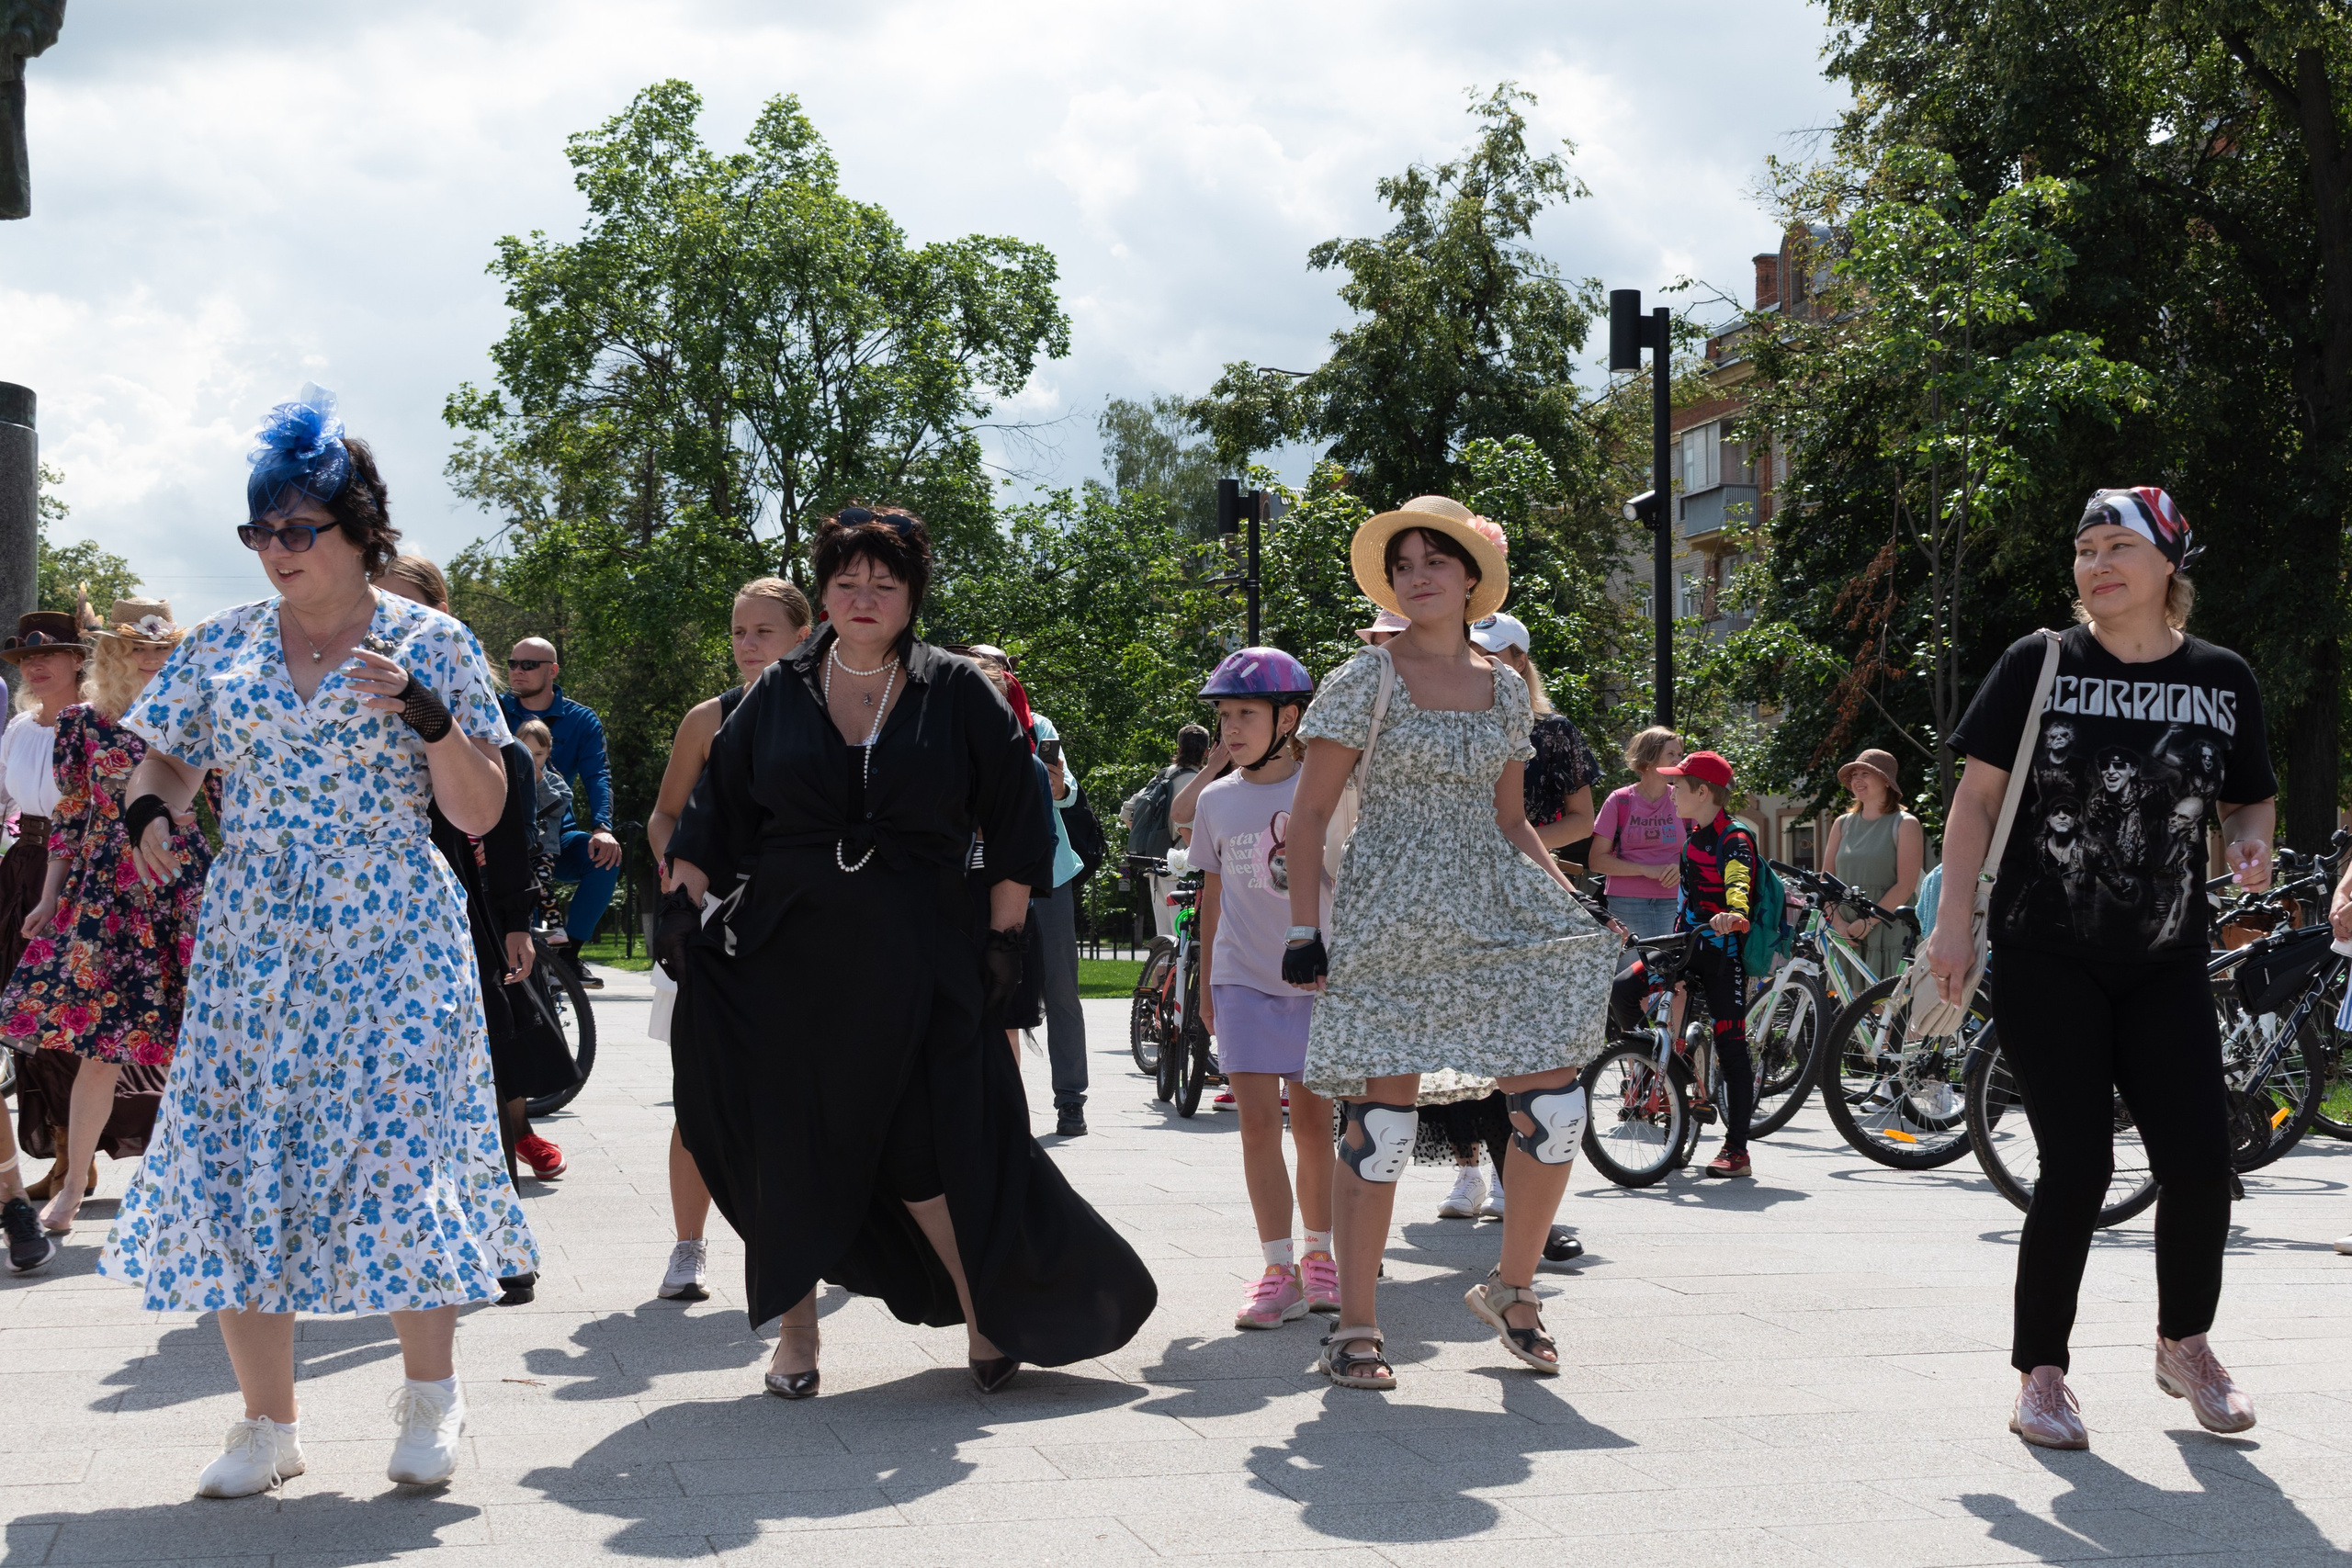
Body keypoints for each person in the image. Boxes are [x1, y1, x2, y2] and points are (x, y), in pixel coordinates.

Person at [105, 384, 535, 1497]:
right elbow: (166, 759)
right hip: (254, 930)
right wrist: (153, 813)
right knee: (241, 1160)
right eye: (260, 531)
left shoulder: (431, 640)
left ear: (361, 531)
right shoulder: (222, 646)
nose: (276, 551)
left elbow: (482, 809)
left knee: (401, 1152)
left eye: (299, 529)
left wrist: (427, 714)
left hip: (392, 925)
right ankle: (266, 1426)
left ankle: (430, 1400)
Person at [657, 505, 1155, 1399]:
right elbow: (714, 810)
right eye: (846, 581)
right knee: (786, 1143)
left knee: (925, 1145)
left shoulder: (956, 689)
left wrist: (1005, 941)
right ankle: (797, 1335)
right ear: (822, 594)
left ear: (913, 595)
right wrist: (680, 904)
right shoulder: (778, 693)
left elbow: (1017, 818)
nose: (863, 597)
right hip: (787, 956)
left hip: (922, 950)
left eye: (883, 583)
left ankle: (985, 1312)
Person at [1925, 486, 2270, 1451]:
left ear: (2170, 562)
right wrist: (1952, 925)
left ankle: (2184, 1342)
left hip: (2167, 958)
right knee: (2077, 1163)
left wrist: (2251, 843)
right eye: (2084, 549)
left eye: (2118, 544)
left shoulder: (2223, 678)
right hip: (2046, 952)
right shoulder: (2040, 662)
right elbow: (1974, 802)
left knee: (2200, 1159)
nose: (2096, 563)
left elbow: (2249, 799)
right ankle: (2041, 1373)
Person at [1280, 494, 1619, 1391]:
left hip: (1491, 907)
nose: (1417, 576)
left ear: (1472, 577)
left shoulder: (1504, 688)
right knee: (1382, 1127)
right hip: (1389, 914)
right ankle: (1357, 1324)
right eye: (1404, 565)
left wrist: (1570, 907)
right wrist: (1306, 929)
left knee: (1555, 1107)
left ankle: (1513, 1289)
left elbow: (1510, 821)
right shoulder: (1365, 677)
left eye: (1435, 560)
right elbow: (1309, 813)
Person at [378, 556, 579, 1222]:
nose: (388, 622)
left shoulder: (485, 724)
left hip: (467, 900)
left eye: (405, 606)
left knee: (488, 1047)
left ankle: (499, 1215)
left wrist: (517, 919)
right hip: (374, 903)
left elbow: (509, 829)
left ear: (440, 615)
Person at [3, 601, 207, 1239]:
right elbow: (71, 816)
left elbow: (233, 800)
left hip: (180, 883)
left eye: (163, 649)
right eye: (139, 648)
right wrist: (48, 897)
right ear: (116, 653)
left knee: (202, 1041)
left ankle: (195, 1185)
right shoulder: (83, 722)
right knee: (100, 1045)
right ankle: (70, 1186)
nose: (152, 659)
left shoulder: (197, 715)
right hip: (106, 893)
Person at [642, 575, 811, 1303]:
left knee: (802, 1094)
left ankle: (806, 1242)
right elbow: (664, 815)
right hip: (710, 924)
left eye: (763, 631)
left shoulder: (836, 713)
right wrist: (681, 883)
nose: (747, 643)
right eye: (739, 630)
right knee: (700, 1096)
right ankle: (689, 1246)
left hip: (802, 929)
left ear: (803, 636)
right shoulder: (707, 719)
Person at [1434, 611, 1604, 1224]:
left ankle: (1516, 1176)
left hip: (1524, 894)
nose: (1482, 661)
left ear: (1520, 660)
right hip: (1452, 891)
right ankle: (1467, 1170)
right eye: (1474, 650)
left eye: (1494, 652)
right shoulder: (1445, 718)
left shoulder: (1552, 730)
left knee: (1513, 1039)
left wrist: (1515, 847)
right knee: (1452, 1037)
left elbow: (1583, 818)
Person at [1190, 648, 1339, 1328]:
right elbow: (1213, 895)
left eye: (1245, 714)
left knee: (1312, 1125)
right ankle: (1278, 1269)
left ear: (1288, 718)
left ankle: (1320, 1257)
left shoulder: (1325, 790)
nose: (1231, 728)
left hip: (1315, 980)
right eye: (1224, 715)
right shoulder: (1216, 800)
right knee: (1255, 1126)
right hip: (1241, 979)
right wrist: (1205, 985)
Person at [0, 608, 88, 1274]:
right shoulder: (17, 728)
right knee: (20, 1020)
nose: (35, 665)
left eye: (50, 654)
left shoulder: (95, 723)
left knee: (64, 1018)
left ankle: (70, 1159)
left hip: (76, 869)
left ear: (78, 660)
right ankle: (57, 1151)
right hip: (21, 867)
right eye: (27, 657)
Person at [500, 635, 620, 976]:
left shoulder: (581, 719)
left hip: (554, 837)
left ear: (552, 670)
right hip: (500, 836)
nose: (517, 671)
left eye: (528, 665)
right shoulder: (493, 709)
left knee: (605, 858)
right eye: (512, 664)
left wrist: (602, 828)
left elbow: (598, 775)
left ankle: (567, 958)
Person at [1022, 703, 1100, 1137]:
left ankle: (1071, 1099)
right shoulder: (953, 712)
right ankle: (991, 1099)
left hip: (1049, 875)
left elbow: (1067, 792)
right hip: (982, 872)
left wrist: (1058, 786)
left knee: (1061, 989)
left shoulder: (1038, 726)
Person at [1822, 747, 1925, 978]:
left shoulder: (1905, 823)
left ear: (1886, 780)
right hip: (1847, 931)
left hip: (1889, 929)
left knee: (1888, 999)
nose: (1857, 779)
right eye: (1854, 775)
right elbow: (1825, 881)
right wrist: (1838, 924)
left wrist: (1868, 923)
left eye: (1865, 773)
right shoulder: (1842, 823)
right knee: (1849, 1000)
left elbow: (1906, 886)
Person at [1589, 728, 1688, 940]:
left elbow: (1702, 851)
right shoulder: (1620, 800)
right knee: (1634, 963)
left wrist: (1681, 868)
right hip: (1626, 902)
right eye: (1670, 754)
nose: (1678, 761)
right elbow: (1596, 861)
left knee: (1671, 962)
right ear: (1649, 758)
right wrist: (1645, 870)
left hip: (1675, 902)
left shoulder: (1684, 799)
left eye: (1680, 754)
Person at [1122, 723, 1209, 936]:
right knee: (1184, 940)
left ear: (1178, 749)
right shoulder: (1197, 783)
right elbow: (1187, 832)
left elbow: (1127, 812)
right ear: (1206, 753)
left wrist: (1152, 841)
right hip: (1183, 877)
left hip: (1156, 871)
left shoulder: (1161, 776)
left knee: (1165, 940)